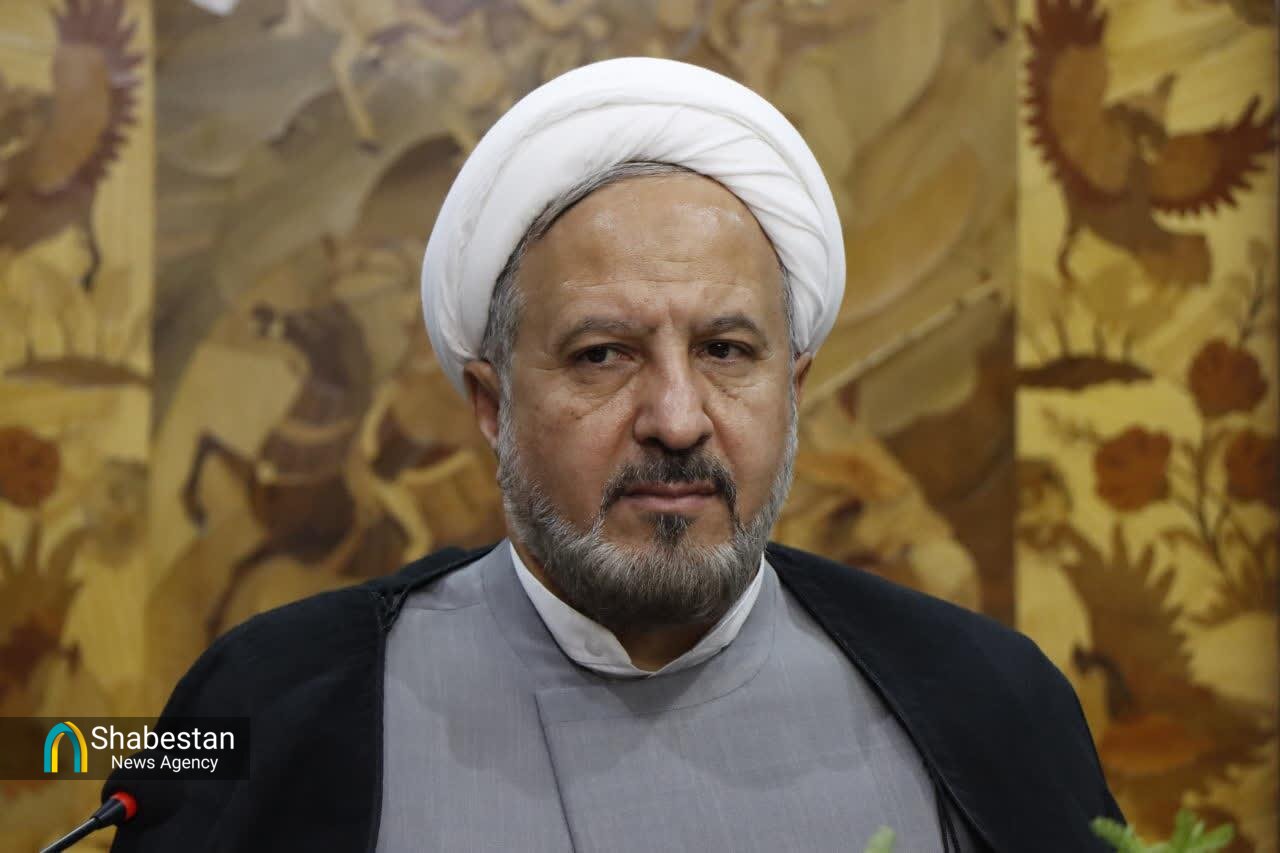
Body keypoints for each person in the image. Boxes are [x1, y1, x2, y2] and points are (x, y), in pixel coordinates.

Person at [107, 57, 1121, 852]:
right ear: (491, 404)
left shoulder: (989, 698)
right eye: (603, 354)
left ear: (794, 389)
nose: (676, 419)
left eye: (726, 351)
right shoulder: (272, 703)